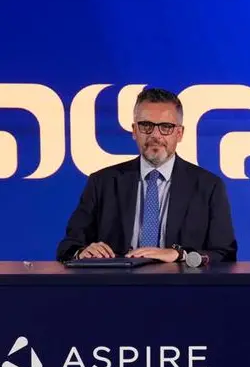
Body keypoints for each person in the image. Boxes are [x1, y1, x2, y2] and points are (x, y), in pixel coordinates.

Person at [56, 88, 237, 263]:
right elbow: (68, 247)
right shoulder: (102, 182)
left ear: (179, 133)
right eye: (146, 126)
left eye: (166, 127)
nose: (155, 135)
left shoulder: (208, 186)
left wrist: (180, 255)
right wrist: (81, 252)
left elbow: (224, 254)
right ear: (134, 130)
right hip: (117, 282)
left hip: (180, 282)